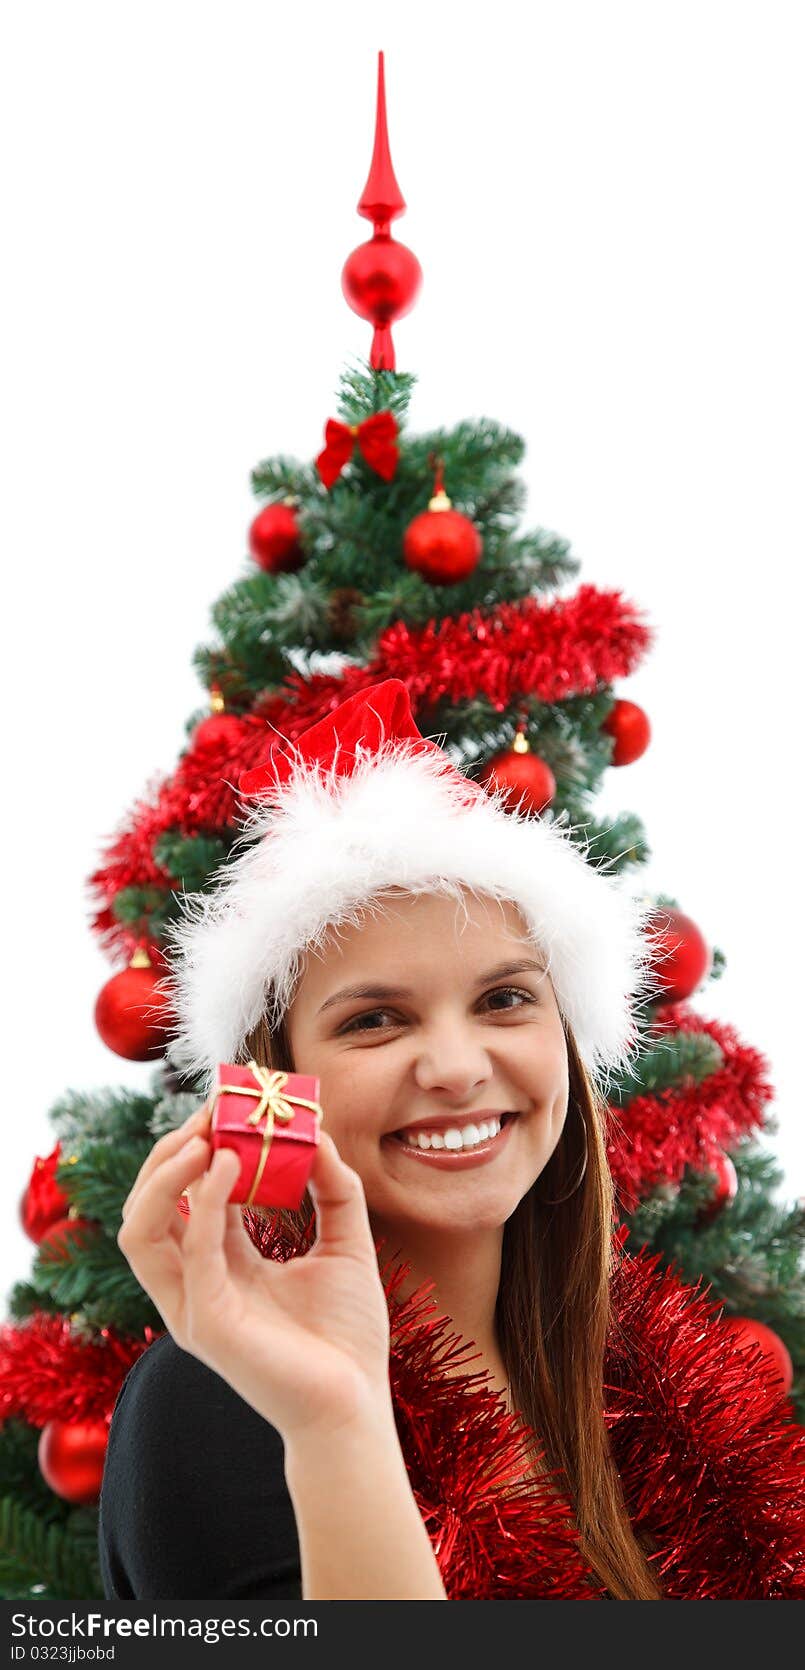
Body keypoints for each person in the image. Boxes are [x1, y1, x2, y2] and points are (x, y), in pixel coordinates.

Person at [98, 679, 805, 1602]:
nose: (456, 1067)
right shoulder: (220, 1398)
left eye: (504, 998)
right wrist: (334, 1428)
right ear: (275, 1080)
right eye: (376, 1020)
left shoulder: (653, 1390)